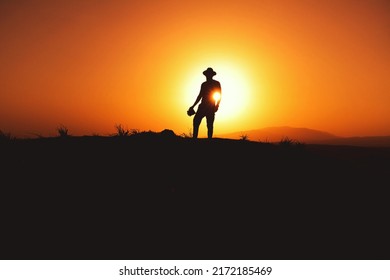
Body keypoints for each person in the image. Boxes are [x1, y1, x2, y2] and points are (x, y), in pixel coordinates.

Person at [188, 67, 222, 139]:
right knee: (196, 121)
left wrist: (217, 105)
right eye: (207, 75)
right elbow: (200, 95)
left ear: (211, 75)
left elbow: (219, 95)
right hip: (203, 106)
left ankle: (208, 139)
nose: (207, 76)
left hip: (210, 106)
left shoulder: (216, 83)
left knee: (209, 124)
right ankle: (195, 138)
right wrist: (193, 106)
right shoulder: (204, 84)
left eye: (208, 74)